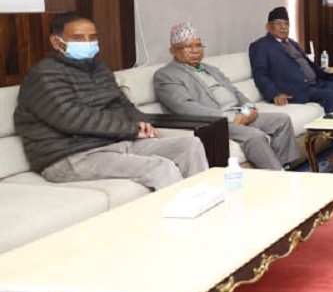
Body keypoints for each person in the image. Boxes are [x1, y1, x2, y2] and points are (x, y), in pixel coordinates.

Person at [13, 11, 208, 190]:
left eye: (93, 37)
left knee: (190, 146)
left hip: (113, 143)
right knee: (160, 167)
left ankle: (208, 205)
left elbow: (122, 103)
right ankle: (186, 215)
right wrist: (132, 129)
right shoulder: (43, 75)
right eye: (78, 38)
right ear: (56, 42)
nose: (88, 43)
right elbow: (73, 118)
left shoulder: (99, 68)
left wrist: (141, 121)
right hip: (69, 156)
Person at [154, 22, 300, 170]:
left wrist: (249, 108)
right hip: (215, 122)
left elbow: (235, 92)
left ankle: (284, 167)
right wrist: (229, 117)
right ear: (173, 51)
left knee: (281, 121)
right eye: (188, 47)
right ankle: (278, 175)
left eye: (198, 45)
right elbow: (185, 108)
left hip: (237, 113)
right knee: (255, 136)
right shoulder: (166, 75)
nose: (195, 50)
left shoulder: (212, 69)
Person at [249, 6, 333, 113]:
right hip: (295, 90)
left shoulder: (292, 43)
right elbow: (261, 74)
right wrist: (274, 94)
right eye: (278, 23)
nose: (283, 27)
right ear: (268, 26)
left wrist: (325, 74)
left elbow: (308, 65)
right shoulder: (261, 46)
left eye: (286, 24)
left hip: (315, 84)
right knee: (329, 95)